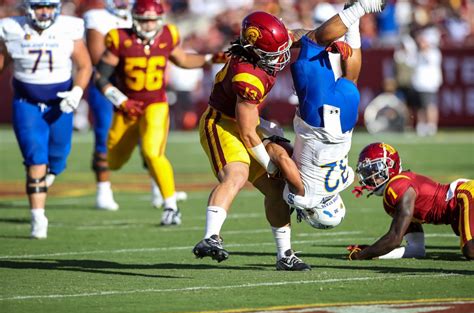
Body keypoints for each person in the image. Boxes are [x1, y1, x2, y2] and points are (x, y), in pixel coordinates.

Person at [192, 0, 384, 270]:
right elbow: (247, 134)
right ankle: (211, 236)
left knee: (276, 190)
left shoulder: (263, 48)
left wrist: (325, 42)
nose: (281, 56)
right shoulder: (247, 75)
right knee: (237, 174)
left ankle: (285, 255)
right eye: (274, 52)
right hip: (223, 124)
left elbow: (304, 36)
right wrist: (270, 162)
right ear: (254, 50)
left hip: (253, 123)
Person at [94, 0, 223, 225]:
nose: (148, 25)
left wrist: (210, 58)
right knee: (113, 161)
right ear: (135, 19)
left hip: (155, 104)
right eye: (144, 20)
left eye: (153, 20)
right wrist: (121, 100)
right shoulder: (119, 38)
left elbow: (182, 59)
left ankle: (170, 206)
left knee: (154, 153)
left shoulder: (167, 35)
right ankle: (166, 199)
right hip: (126, 109)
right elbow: (100, 78)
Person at [264, 0, 385, 229]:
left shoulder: (345, 180)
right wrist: (264, 141)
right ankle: (362, 7)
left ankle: (354, 21)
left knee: (350, 78)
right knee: (314, 41)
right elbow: (280, 157)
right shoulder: (304, 197)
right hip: (320, 120)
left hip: (346, 123)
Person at [0, 0, 92, 238]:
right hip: (26, 104)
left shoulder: (68, 27)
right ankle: (38, 216)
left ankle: (45, 179)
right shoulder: (11, 28)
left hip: (60, 103)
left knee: (58, 158)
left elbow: (84, 66)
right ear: (29, 8)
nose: (45, 11)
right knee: (35, 159)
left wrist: (77, 92)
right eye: (40, 6)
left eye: (50, 7)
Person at [347, 142, 473, 260]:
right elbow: (416, 250)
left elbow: (394, 239)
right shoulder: (391, 201)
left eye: (375, 169)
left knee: (470, 250)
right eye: (368, 171)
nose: (371, 176)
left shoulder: (397, 185)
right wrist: (373, 252)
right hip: (457, 210)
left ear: (391, 166)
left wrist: (362, 255)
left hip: (464, 194)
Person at [83, 0, 133, 211]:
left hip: (134, 84)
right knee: (104, 132)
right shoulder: (97, 17)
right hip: (107, 84)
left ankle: (159, 190)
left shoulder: (139, 14)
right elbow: (97, 57)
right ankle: (103, 189)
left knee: (148, 134)